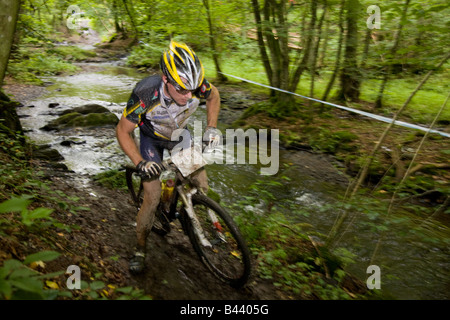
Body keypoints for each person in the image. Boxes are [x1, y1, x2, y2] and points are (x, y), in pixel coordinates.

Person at [116, 40, 221, 273]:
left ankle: (180, 207)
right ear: (166, 80)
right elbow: (122, 131)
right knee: (152, 197)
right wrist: (140, 163)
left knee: (201, 183)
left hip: (178, 136)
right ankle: (140, 249)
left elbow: (213, 96)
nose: (188, 96)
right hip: (150, 139)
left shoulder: (195, 85)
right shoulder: (145, 93)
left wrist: (211, 127)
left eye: (192, 90)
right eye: (181, 90)